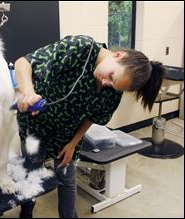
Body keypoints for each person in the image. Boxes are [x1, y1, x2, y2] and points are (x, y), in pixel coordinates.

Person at [14, 35, 165, 218]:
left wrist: (73, 143)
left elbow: (93, 116)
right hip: (35, 127)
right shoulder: (81, 48)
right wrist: (27, 92)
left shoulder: (112, 92)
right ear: (118, 55)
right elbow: (23, 63)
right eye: (111, 76)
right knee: (31, 171)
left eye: (113, 85)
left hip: (68, 134)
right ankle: (27, 210)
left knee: (67, 178)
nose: (105, 83)